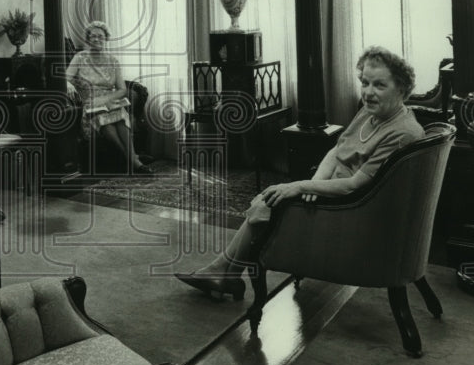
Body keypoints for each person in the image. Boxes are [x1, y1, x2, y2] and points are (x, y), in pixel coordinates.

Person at [175, 45, 425, 299]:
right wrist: (314, 182)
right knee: (271, 197)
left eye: (379, 85)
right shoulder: (371, 112)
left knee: (270, 200)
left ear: (402, 88)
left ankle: (225, 272)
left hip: (350, 211)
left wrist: (301, 187)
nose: (368, 93)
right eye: (365, 83)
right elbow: (337, 150)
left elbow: (354, 185)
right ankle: (225, 272)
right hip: (332, 193)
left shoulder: (401, 132)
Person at [65, 20, 152, 175]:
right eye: (92, 36)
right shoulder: (80, 57)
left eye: (100, 36)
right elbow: (66, 77)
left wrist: (106, 100)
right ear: (87, 39)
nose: (96, 39)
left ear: (106, 39)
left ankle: (130, 160)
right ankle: (134, 160)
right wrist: (70, 84)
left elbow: (122, 89)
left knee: (120, 119)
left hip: (110, 100)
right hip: (91, 102)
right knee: (106, 124)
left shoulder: (113, 61)